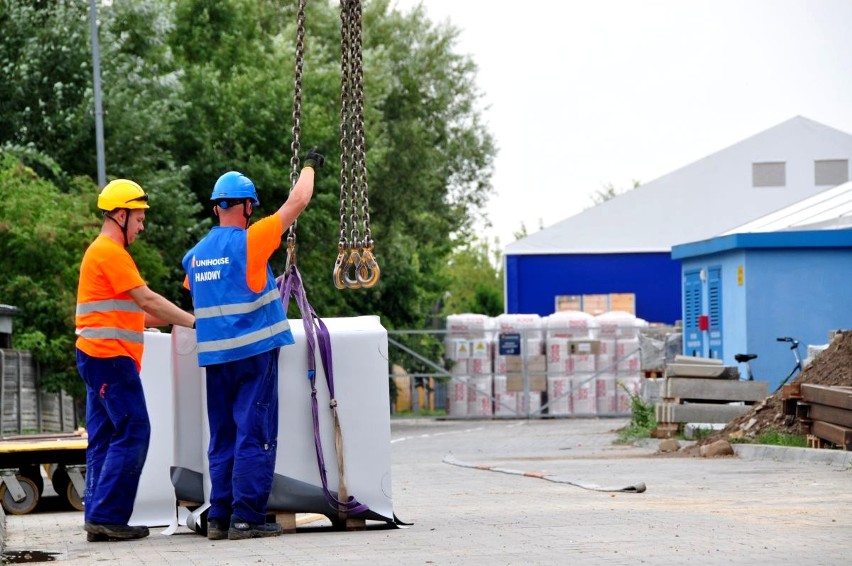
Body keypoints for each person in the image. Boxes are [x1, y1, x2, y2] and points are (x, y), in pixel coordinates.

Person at [182, 148, 324, 541]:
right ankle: (247, 517)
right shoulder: (252, 240)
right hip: (254, 356)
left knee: (223, 436)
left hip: (215, 360)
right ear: (247, 208)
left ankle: (220, 518)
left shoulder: (194, 258)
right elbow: (298, 200)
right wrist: (309, 165)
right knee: (253, 433)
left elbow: (201, 293)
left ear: (215, 209)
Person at [76, 179, 196, 542]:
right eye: (139, 217)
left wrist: (185, 316)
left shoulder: (105, 254)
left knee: (103, 437)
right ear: (120, 214)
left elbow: (140, 315)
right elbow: (148, 301)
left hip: (98, 356)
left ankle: (98, 516)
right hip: (110, 358)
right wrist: (196, 323)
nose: (143, 225)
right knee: (134, 430)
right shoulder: (110, 253)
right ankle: (108, 516)